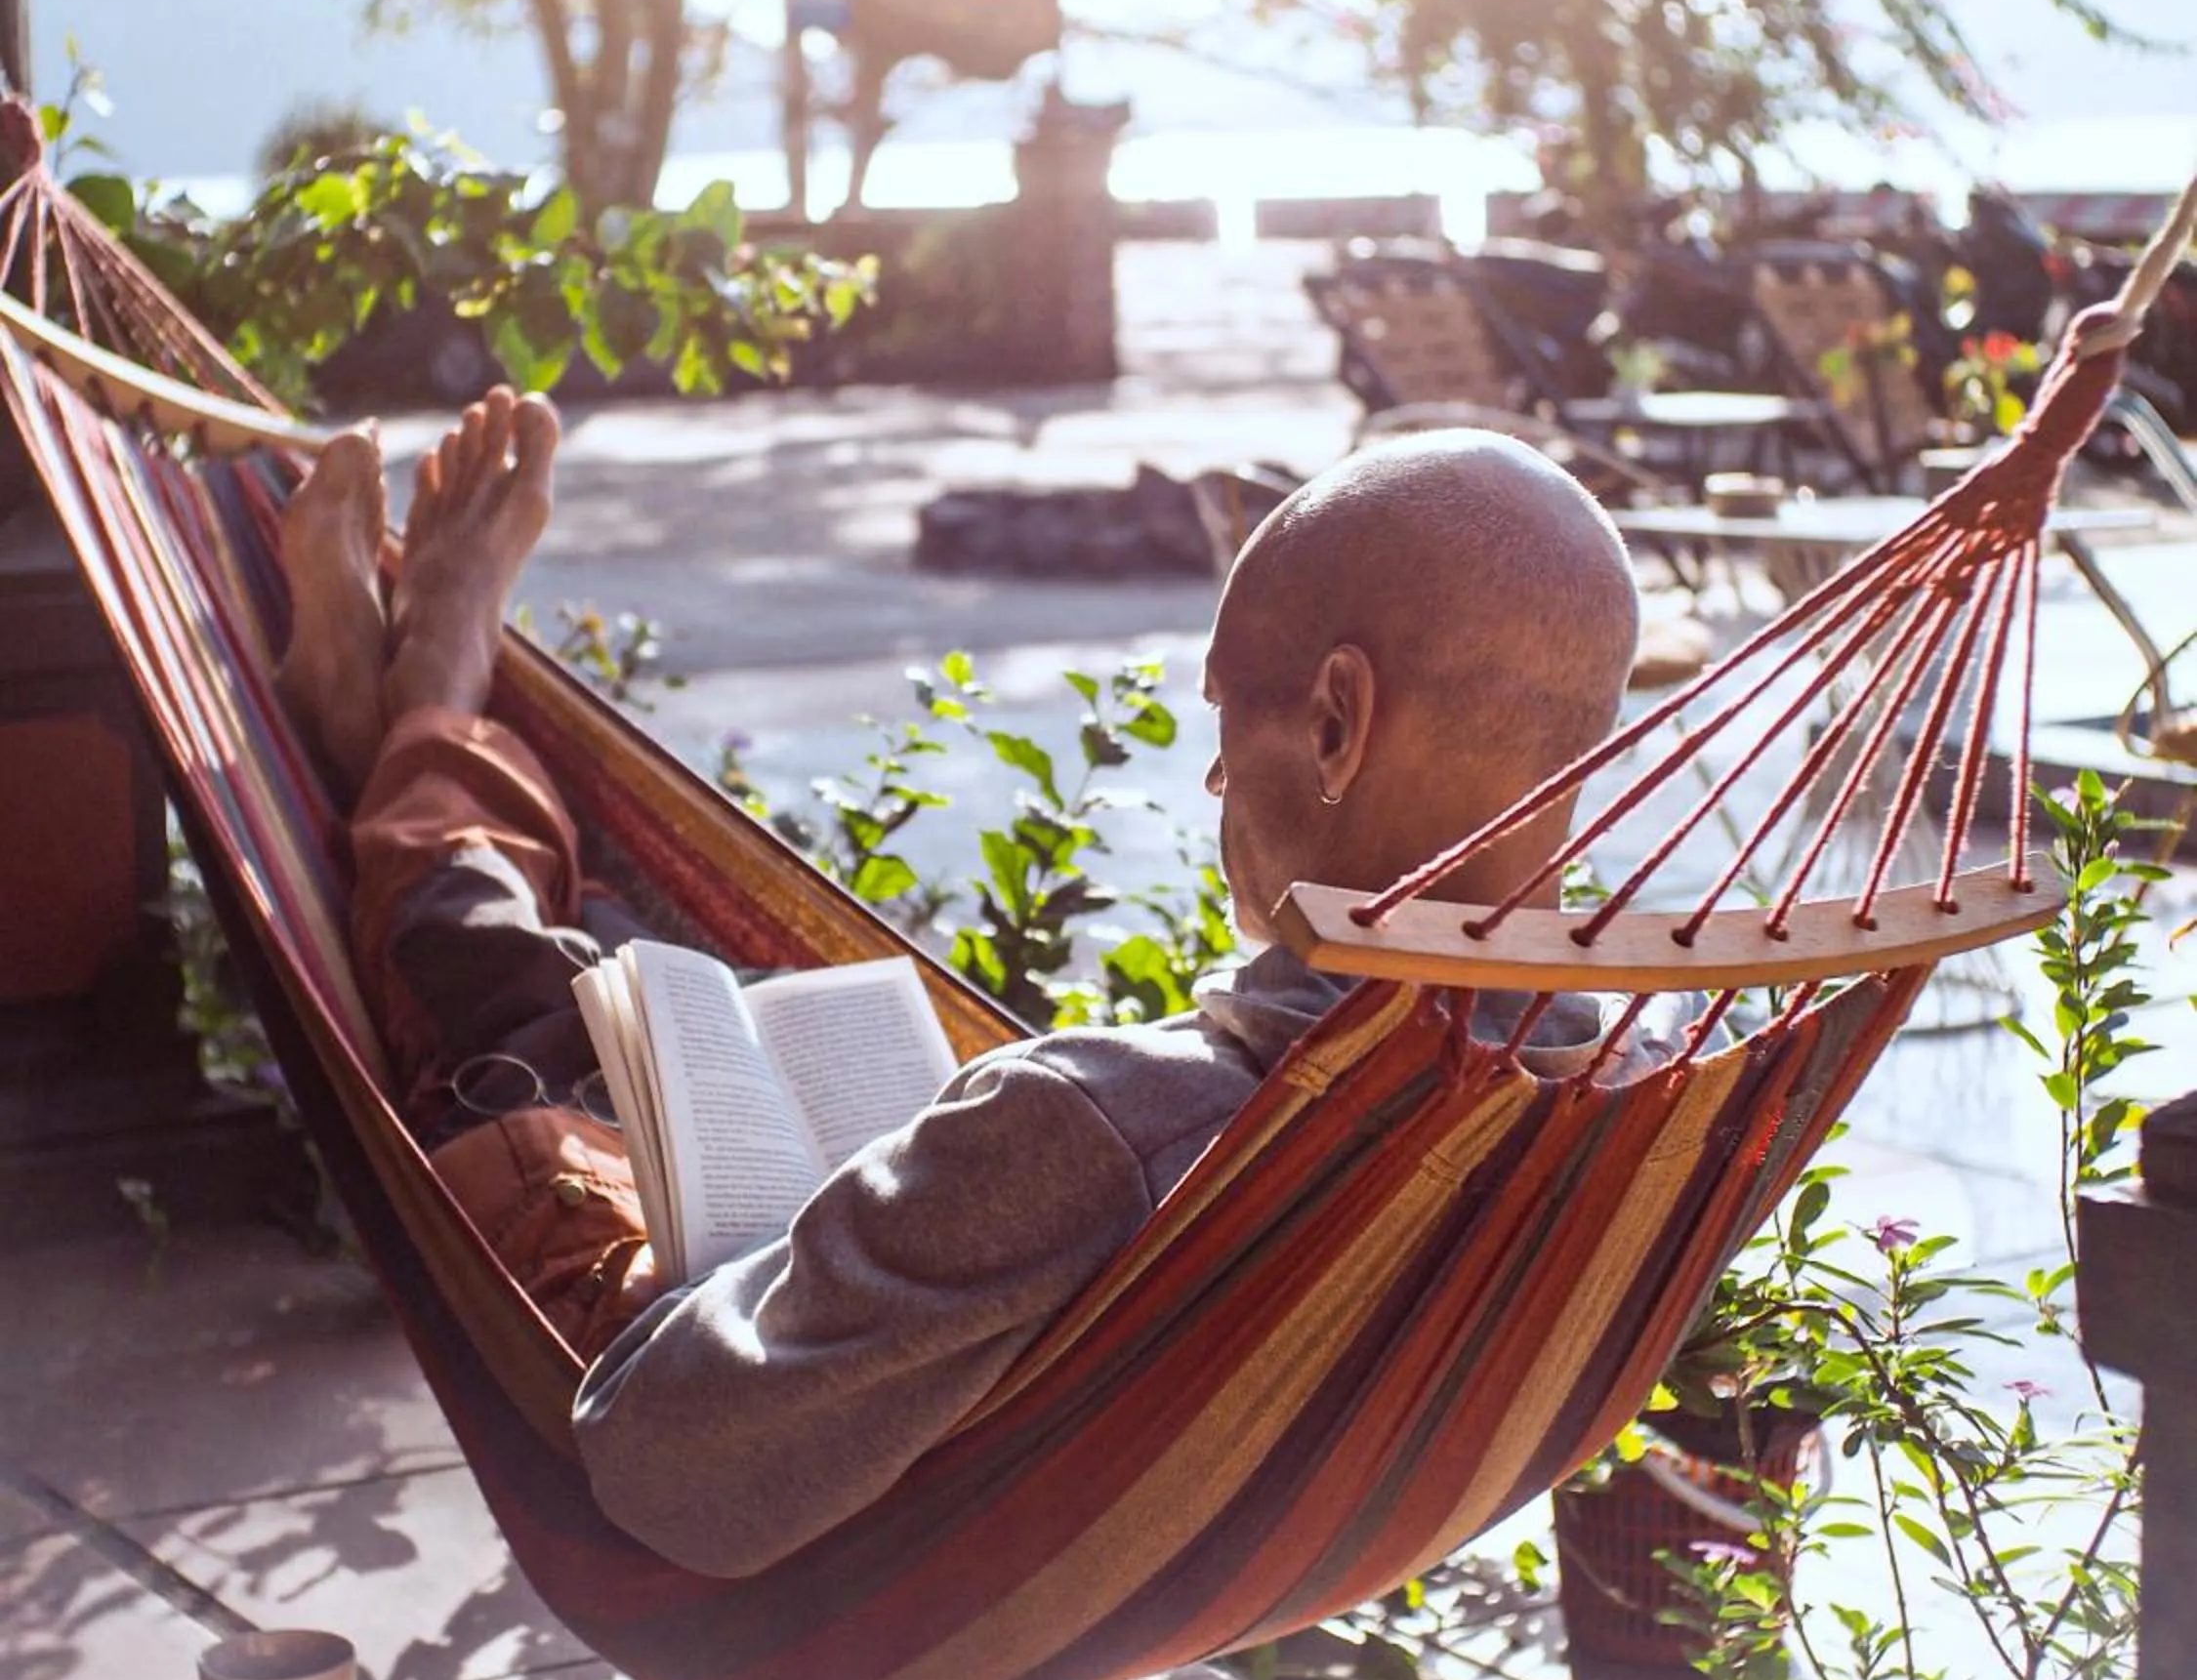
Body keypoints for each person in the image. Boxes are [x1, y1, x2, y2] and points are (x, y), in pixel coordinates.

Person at [278, 387, 1653, 1581]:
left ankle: (420, 716)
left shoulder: (1088, 1130)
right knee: (622, 952)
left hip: (643, 1312)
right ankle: (404, 738)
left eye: (1228, 715)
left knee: (507, 1005)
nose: (1219, 776)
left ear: (1338, 721)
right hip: (1057, 1458)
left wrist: (811, 1241)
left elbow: (651, 1458)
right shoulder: (1625, 1108)